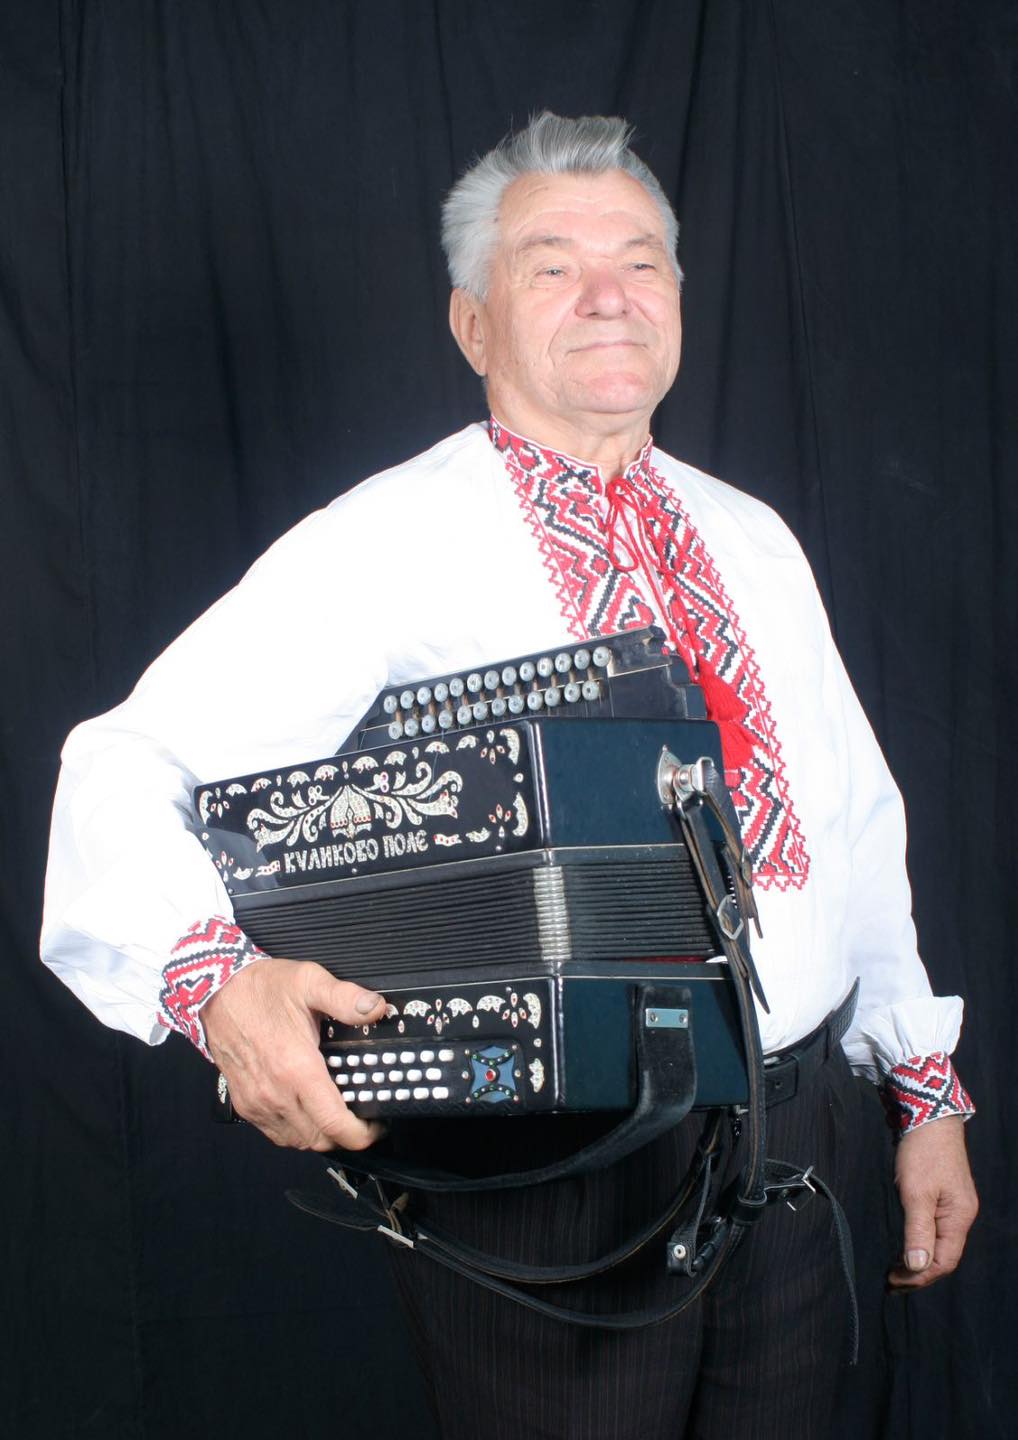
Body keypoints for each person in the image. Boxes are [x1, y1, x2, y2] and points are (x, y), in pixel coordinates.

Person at [42, 113, 977, 1437]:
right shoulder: (386, 540)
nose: (608, 294)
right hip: (556, 1162)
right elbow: (127, 762)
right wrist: (215, 983)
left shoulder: (753, 536)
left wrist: (921, 1094)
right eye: (551, 265)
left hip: (797, 1141)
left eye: (640, 261)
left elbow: (856, 824)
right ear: (472, 324)